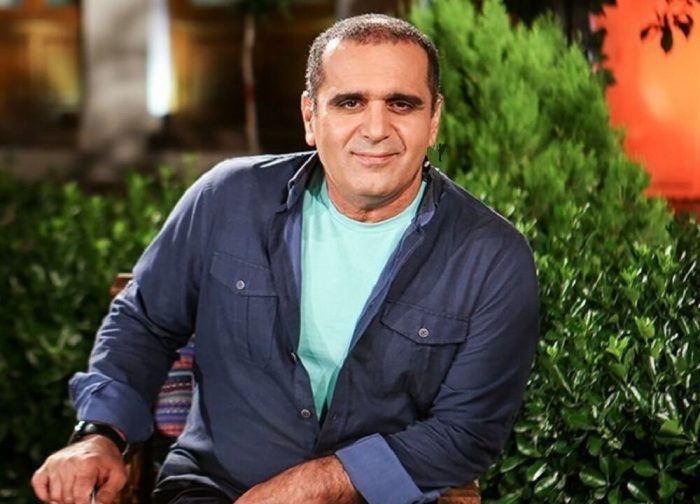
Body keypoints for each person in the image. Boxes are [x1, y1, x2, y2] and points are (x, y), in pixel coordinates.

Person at [32, 13, 539, 504]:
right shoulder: (226, 199)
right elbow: (144, 324)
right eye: (349, 102)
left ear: (433, 121)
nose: (376, 128)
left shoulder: (493, 258)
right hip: (215, 489)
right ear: (310, 117)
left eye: (401, 104)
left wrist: (318, 485)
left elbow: (466, 431)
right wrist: (100, 434)